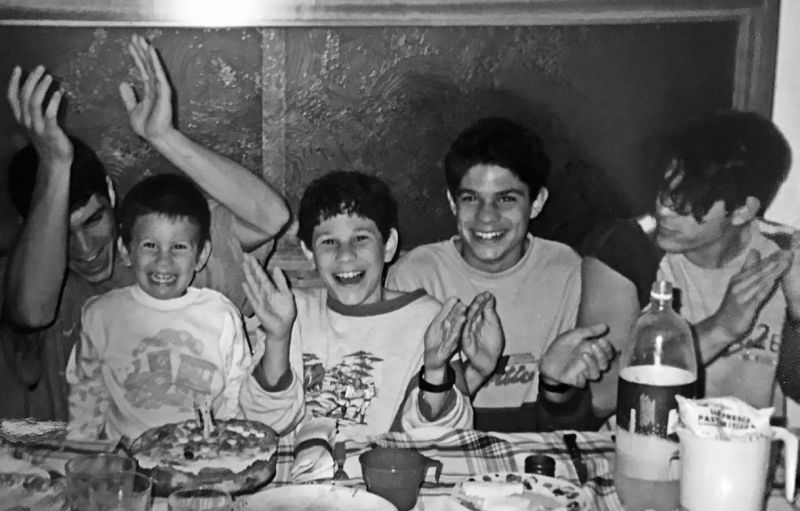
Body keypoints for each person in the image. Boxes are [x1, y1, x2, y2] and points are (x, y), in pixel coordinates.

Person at [1, 34, 290, 421]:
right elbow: (30, 314)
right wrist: (55, 165)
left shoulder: (165, 240)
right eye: (65, 233)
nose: (85, 248)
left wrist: (163, 136)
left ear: (110, 194)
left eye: (94, 219)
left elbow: (270, 217)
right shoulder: (33, 277)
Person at [386, 117, 614, 432]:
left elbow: (574, 425)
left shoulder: (568, 272)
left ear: (536, 203)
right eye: (471, 198)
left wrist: (556, 385)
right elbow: (399, 422)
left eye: (506, 199)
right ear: (452, 202)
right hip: (442, 451)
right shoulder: (414, 278)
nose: (487, 216)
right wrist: (475, 373)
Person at [239, 171, 485, 440]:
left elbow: (450, 435)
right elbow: (263, 426)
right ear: (309, 253)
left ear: (388, 246)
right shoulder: (290, 313)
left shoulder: (426, 319)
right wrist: (277, 338)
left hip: (387, 464)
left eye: (360, 239)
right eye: (329, 242)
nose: (345, 255)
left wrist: (436, 371)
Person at [582, 110, 798, 411]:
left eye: (688, 201)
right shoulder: (626, 248)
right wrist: (720, 328)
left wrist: (799, 314)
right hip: (647, 434)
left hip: (749, 438)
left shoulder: (786, 253)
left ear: (742, 211)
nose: (663, 210)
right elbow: (599, 397)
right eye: (664, 190)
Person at [66, 174, 253, 441]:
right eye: (150, 246)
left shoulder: (221, 314)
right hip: (127, 458)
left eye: (178, 247)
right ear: (126, 251)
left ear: (201, 255)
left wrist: (226, 447)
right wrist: (84, 452)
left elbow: (237, 393)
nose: (163, 261)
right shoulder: (101, 315)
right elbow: (85, 399)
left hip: (204, 454)